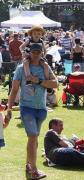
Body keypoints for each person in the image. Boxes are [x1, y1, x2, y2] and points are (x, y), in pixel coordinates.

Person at [4, 43, 58, 179]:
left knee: (33, 139)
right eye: (33, 52)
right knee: (33, 136)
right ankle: (34, 170)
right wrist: (9, 108)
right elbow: (14, 89)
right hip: (26, 108)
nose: (35, 54)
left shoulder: (45, 68)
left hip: (41, 109)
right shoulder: (21, 69)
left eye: (38, 52)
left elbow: (55, 84)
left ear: (42, 53)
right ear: (29, 53)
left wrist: (38, 81)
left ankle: (29, 164)